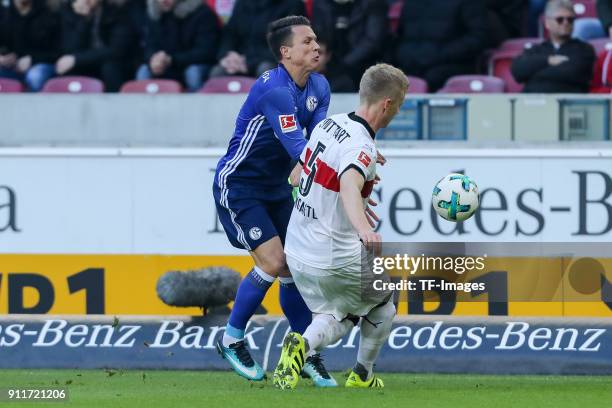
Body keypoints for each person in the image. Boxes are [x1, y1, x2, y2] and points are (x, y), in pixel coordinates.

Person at [213, 15, 334, 386]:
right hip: (239, 185)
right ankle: (231, 338)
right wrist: (350, 182)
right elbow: (302, 150)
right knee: (274, 260)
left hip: (277, 188)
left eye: (316, 41)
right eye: (307, 42)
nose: (316, 47)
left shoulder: (320, 86)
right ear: (286, 53)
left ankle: (305, 351)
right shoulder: (274, 90)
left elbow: (317, 144)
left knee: (293, 268)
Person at [273, 63, 408, 390]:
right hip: (333, 254)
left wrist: (356, 193)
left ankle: (301, 346)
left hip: (299, 250)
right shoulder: (361, 147)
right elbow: (349, 183)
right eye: (399, 106)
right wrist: (363, 227)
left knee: (343, 311)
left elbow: (296, 176)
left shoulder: (329, 125)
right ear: (387, 104)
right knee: (384, 301)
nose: (396, 113)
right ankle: (362, 374)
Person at [392, 0, 488, 92]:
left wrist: (441, 54)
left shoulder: (468, 2)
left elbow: (479, 37)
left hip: (450, 65)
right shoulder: (411, 2)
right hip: (411, 64)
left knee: (432, 77)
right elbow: (402, 36)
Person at [511, 0, 595, 93]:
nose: (565, 23)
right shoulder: (536, 49)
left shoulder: (584, 50)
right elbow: (518, 71)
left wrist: (533, 73)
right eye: (560, 19)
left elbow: (573, 74)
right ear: (547, 22)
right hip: (533, 103)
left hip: (569, 104)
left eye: (570, 20)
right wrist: (548, 60)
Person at [136, 0, 220, 92]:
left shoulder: (203, 13)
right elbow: (149, 45)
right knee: (143, 71)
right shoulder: (154, 13)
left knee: (193, 73)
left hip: (193, 63)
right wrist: (153, 59)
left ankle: (198, 105)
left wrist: (171, 59)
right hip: (165, 65)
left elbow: (206, 51)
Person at [208, 0, 304, 78]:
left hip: (272, 60)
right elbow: (229, 34)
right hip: (242, 60)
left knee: (266, 72)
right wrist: (228, 55)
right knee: (218, 72)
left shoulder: (292, 4)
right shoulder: (242, 3)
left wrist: (248, 62)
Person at [56, 0, 133, 92]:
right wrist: (83, 20)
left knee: (109, 68)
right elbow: (70, 49)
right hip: (84, 64)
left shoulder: (116, 11)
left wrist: (77, 59)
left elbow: (116, 50)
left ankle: (114, 104)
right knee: (65, 68)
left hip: (111, 64)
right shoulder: (69, 11)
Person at [310, 0, 388, 90]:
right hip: (329, 63)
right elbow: (319, 37)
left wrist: (344, 64)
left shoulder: (373, 3)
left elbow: (373, 41)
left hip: (364, 65)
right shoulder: (321, 3)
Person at [0, 0, 60, 91]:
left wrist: (32, 59)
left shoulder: (49, 14)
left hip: (41, 64)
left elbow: (58, 52)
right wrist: (2, 58)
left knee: (35, 76)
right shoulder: (4, 13)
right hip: (10, 66)